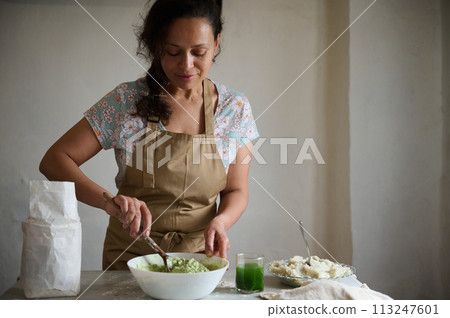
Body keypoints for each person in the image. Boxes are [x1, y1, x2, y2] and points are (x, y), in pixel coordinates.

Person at [39, 0, 259, 270]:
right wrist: (108, 202)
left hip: (199, 261)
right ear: (157, 46)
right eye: (173, 51)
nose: (186, 65)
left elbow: (236, 189)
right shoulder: (126, 100)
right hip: (129, 260)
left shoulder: (233, 107)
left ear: (216, 43)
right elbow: (54, 161)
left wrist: (220, 221)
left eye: (198, 52)